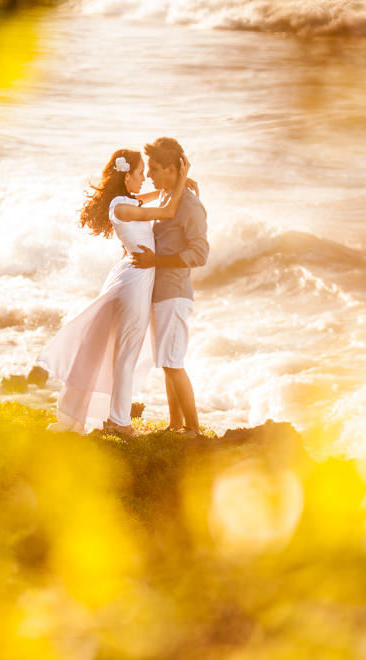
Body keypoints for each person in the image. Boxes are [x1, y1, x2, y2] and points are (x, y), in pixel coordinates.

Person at [36, 148, 191, 436]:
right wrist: (183, 177)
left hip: (131, 277)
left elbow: (153, 199)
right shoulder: (121, 207)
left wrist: (176, 185)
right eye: (141, 173)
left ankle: (112, 418)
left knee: (118, 352)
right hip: (135, 282)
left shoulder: (125, 201)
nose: (144, 178)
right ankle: (120, 422)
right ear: (127, 175)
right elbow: (167, 211)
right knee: (126, 353)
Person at [131, 137, 209, 437]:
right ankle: (176, 424)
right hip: (160, 293)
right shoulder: (168, 196)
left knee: (174, 363)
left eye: (153, 168)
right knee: (167, 362)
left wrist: (155, 260)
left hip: (175, 294)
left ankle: (193, 429)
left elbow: (200, 254)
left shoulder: (189, 206)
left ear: (171, 170)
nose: (148, 174)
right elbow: (141, 200)